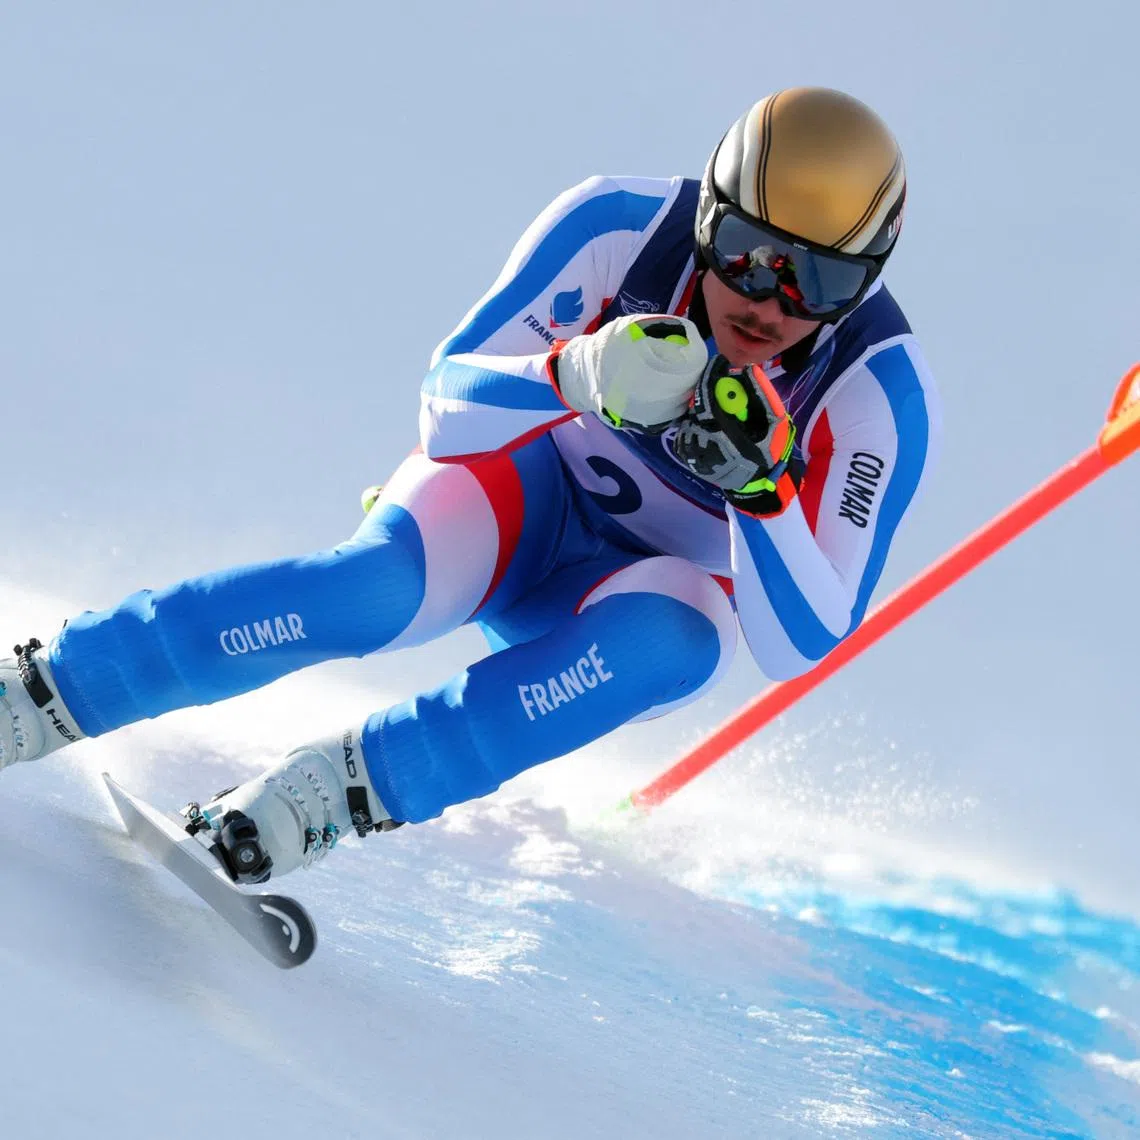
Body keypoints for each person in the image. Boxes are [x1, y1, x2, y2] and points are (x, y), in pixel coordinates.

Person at [0, 87, 940, 883]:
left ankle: (314, 803)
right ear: (706, 215)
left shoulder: (874, 394)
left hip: (627, 603)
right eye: (743, 251)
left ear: (864, 285)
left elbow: (803, 640)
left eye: (816, 280)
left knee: (681, 641)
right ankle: (44, 692)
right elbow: (444, 405)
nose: (768, 301)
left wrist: (766, 490)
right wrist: (574, 377)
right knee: (367, 593)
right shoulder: (622, 228)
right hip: (514, 504)